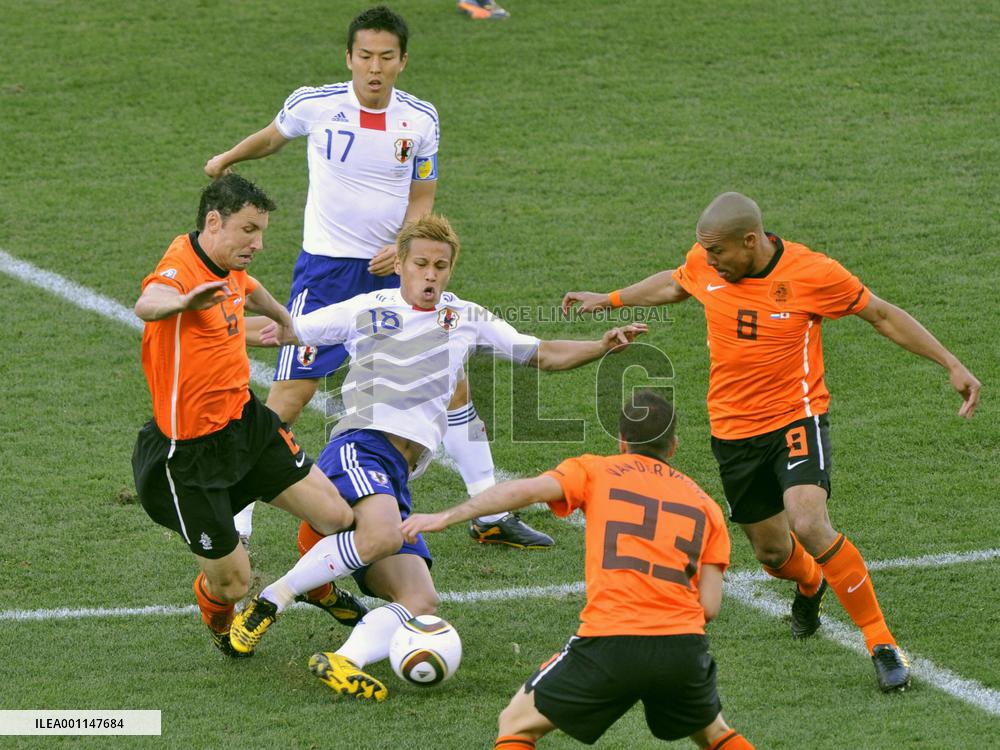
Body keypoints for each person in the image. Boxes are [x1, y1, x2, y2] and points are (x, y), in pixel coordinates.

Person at [561, 191, 982, 693]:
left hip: (796, 418)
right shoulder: (707, 261)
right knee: (771, 554)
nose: (709, 262)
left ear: (750, 240)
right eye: (706, 253)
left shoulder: (814, 273)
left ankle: (881, 643)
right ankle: (810, 583)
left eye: (718, 253)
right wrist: (607, 300)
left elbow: (883, 315)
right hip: (733, 432)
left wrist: (951, 363)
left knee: (807, 520)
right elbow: (676, 284)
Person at [227, 214, 648, 701]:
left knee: (421, 601)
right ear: (401, 265)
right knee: (382, 534)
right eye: (421, 263)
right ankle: (272, 599)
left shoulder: (467, 317)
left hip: (398, 477)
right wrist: (211, 323)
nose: (430, 275)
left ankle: (345, 659)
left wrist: (600, 345)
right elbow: (285, 330)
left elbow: (542, 354)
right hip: (362, 445)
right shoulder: (367, 307)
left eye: (440, 266)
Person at [204, 5, 548, 549]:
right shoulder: (315, 104)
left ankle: (488, 512)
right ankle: (237, 520)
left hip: (398, 275)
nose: (374, 67)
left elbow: (423, 193)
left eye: (386, 57)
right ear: (349, 57)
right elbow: (275, 136)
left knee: (450, 378)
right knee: (290, 396)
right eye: (365, 55)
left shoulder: (421, 120)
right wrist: (226, 158)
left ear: (402, 61)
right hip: (328, 275)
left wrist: (405, 245)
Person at [402, 390, 754, 749]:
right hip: (682, 648)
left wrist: (448, 515)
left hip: (611, 639)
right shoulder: (706, 506)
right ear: (674, 445)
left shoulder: (595, 471)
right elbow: (709, 607)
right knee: (715, 734)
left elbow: (522, 491)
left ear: (621, 440)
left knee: (516, 723)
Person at [131, 174, 366, 658]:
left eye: (261, 232)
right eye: (249, 230)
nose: (257, 243)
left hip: (246, 425)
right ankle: (216, 614)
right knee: (233, 583)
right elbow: (147, 302)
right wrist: (184, 303)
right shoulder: (180, 270)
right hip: (188, 456)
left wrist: (282, 319)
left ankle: (317, 586)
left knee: (337, 516)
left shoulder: (227, 261)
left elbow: (249, 286)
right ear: (214, 222)